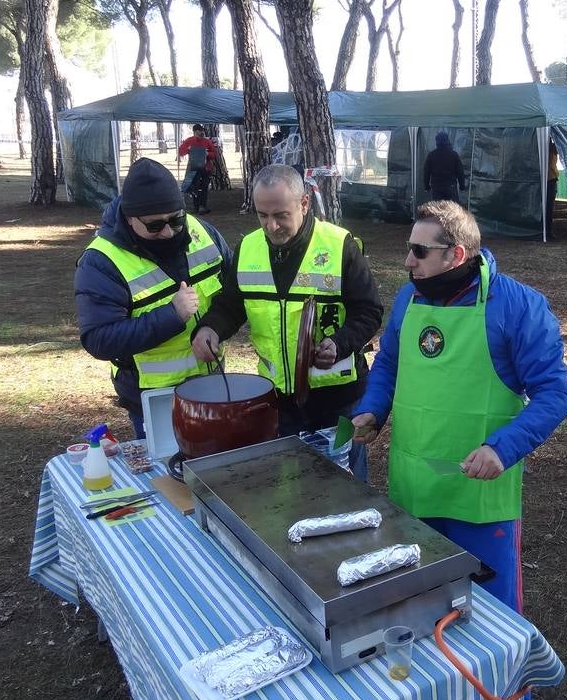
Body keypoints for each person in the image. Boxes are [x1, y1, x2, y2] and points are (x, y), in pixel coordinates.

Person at [350, 200, 567, 617]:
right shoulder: (408, 299)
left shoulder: (518, 306)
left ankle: (506, 687)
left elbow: (555, 394)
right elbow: (389, 363)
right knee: (422, 605)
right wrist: (374, 409)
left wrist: (502, 449)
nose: (407, 261)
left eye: (419, 251)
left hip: (479, 495)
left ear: (456, 254)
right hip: (413, 488)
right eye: (408, 247)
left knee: (493, 615)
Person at [192, 164, 384, 480]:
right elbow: (229, 305)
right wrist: (210, 328)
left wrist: (338, 344)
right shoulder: (248, 248)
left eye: (281, 215)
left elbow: (369, 311)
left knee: (347, 488)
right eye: (262, 215)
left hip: (338, 400)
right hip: (279, 401)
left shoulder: (339, 246)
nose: (272, 226)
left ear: (304, 203)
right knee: (290, 486)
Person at [75, 157, 235, 439]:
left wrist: (214, 326)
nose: (168, 232)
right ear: (128, 218)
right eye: (154, 226)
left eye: (176, 220)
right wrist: (171, 317)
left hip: (211, 384)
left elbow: (234, 291)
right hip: (154, 399)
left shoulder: (201, 231)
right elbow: (99, 339)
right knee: (166, 476)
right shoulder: (101, 261)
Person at [178, 123, 218, 214]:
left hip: (205, 168)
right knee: (194, 187)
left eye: (202, 131)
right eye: (199, 131)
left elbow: (214, 153)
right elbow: (181, 151)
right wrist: (189, 150)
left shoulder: (207, 141)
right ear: (195, 132)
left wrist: (208, 154)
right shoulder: (189, 141)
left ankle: (203, 206)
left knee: (204, 187)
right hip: (194, 168)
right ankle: (197, 207)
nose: (201, 133)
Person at [423, 131, 466, 203]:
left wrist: (426, 186)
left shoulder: (431, 155)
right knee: (452, 210)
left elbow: (426, 172)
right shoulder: (454, 154)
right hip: (451, 187)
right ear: (447, 141)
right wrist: (462, 186)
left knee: (438, 210)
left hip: (437, 187)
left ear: (437, 142)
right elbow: (460, 171)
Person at [545, 141, 560, 241]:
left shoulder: (549, 148)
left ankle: (547, 231)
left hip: (550, 179)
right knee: (549, 207)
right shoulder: (551, 148)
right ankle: (548, 231)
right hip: (550, 179)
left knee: (548, 207)